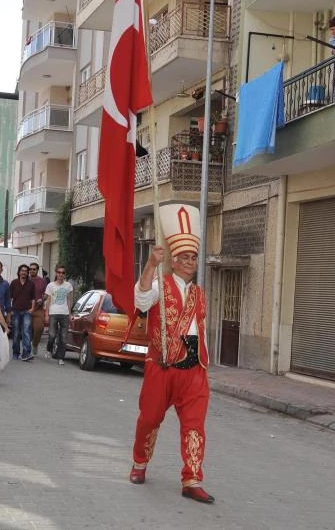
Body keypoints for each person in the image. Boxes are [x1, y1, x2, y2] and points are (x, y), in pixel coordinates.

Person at [129, 204, 214, 504]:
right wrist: (151, 264)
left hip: (194, 369)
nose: (191, 263)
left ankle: (192, 478)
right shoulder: (158, 286)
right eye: (185, 258)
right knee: (150, 418)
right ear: (174, 261)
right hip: (162, 366)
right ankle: (140, 462)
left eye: (193, 258)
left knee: (195, 425)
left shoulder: (200, 293)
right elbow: (139, 301)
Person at [44, 264, 73, 365]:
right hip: (53, 313)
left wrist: (70, 313)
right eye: (59, 272)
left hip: (64, 313)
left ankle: (61, 358)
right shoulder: (50, 285)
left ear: (65, 274)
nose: (61, 274)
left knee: (63, 337)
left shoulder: (68, 285)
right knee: (52, 335)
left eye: (63, 273)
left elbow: (69, 300)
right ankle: (49, 349)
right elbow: (48, 301)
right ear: (56, 273)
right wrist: (47, 314)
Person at [9, 264, 35, 361]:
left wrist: (32, 309)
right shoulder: (14, 283)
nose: (24, 272)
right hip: (15, 311)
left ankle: (26, 354)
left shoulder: (31, 284)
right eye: (22, 270)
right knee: (16, 333)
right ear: (19, 272)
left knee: (26, 332)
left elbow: (33, 298)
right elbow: (10, 297)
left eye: (25, 271)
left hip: (27, 311)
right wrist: (10, 310)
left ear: (27, 273)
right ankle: (16, 353)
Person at [29, 262, 47, 355]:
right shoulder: (26, 279)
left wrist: (42, 299)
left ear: (37, 270)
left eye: (34, 269)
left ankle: (35, 344)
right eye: (30, 269)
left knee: (39, 328)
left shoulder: (42, 281)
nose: (32, 271)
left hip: (38, 308)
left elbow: (46, 294)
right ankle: (27, 349)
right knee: (27, 330)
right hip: (27, 309)